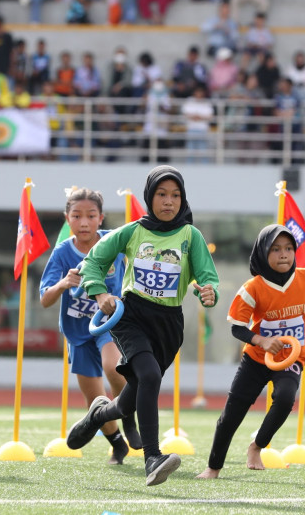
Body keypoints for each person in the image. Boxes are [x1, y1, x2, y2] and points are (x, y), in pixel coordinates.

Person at [64, 166, 220, 486]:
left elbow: (207, 277)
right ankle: (153, 457)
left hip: (169, 323)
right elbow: (95, 261)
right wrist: (100, 292)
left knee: (133, 396)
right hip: (131, 315)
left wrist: (208, 291)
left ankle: (98, 415)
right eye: (161, 194)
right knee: (148, 376)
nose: (169, 201)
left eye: (175, 195)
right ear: (150, 197)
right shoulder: (133, 231)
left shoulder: (191, 236)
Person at [197, 225, 305, 478]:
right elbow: (236, 327)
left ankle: (256, 446)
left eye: (289, 248)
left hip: (291, 357)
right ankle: (213, 468)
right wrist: (262, 341)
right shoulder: (252, 288)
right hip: (256, 359)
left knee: (286, 398)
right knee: (231, 415)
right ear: (262, 253)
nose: (284, 254)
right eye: (276, 249)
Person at [39, 188, 133, 464]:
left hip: (108, 324)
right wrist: (63, 284)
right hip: (77, 334)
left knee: (112, 366)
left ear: (100, 218)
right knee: (95, 401)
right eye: (77, 215)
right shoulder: (61, 253)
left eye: (91, 216)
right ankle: (117, 444)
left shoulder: (112, 242)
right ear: (67, 219)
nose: (84, 222)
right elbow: (44, 299)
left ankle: (129, 416)